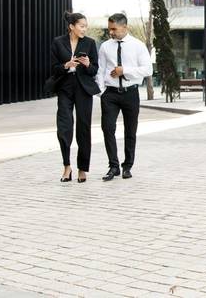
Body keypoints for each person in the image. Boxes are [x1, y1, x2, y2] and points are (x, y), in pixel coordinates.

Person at [97, 13, 153, 182]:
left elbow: (147, 70)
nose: (111, 32)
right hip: (110, 94)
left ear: (124, 27)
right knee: (107, 128)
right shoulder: (105, 47)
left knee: (130, 131)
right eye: (109, 29)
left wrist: (124, 70)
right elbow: (100, 70)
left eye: (114, 29)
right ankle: (113, 166)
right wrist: (102, 92)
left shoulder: (138, 46)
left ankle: (127, 166)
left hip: (131, 94)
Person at [48, 12, 100, 183]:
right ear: (72, 26)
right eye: (82, 26)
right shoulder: (58, 42)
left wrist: (87, 64)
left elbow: (94, 70)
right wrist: (66, 65)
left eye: (86, 26)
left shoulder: (90, 43)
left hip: (83, 88)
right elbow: (53, 68)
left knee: (83, 128)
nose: (85, 29)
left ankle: (82, 169)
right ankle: (66, 166)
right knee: (64, 127)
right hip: (65, 87)